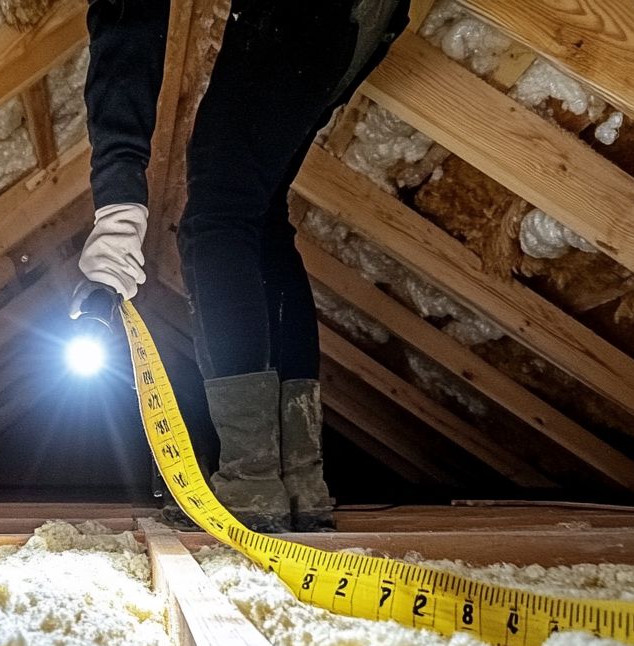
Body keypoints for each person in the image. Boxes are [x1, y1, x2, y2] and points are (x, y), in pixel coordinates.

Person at [78, 0, 411, 531]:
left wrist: (117, 201)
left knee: (217, 216)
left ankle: (251, 478)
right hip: (367, 18)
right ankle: (300, 477)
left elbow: (128, 22)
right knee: (260, 217)